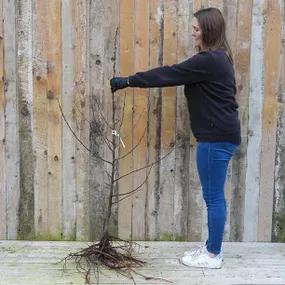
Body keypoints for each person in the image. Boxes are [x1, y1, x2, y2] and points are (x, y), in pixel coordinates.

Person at [110, 7, 240, 269]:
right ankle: (211, 247)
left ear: (209, 31)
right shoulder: (218, 59)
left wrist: (128, 81)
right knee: (213, 196)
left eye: (196, 29)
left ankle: (213, 255)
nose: (193, 34)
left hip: (215, 139)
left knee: (214, 198)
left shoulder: (209, 61)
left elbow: (168, 74)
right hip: (219, 135)